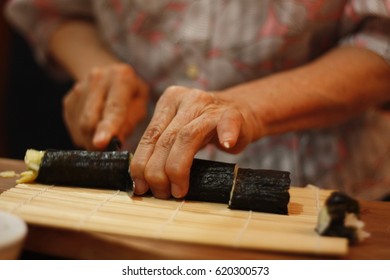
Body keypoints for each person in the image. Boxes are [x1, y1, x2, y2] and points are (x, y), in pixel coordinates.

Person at [5, 0, 390, 200]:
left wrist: (251, 107)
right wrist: (99, 69)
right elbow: (53, 11)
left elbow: (380, 40)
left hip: (326, 185)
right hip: (139, 182)